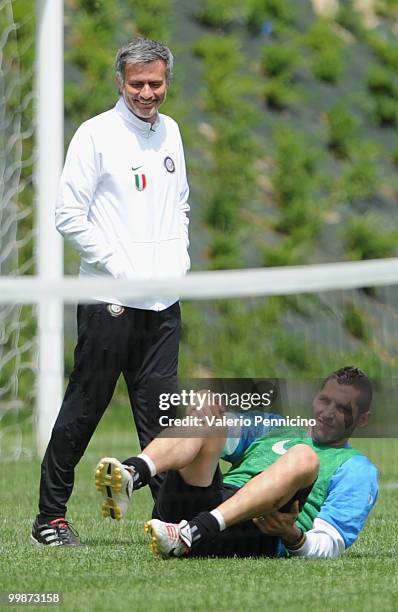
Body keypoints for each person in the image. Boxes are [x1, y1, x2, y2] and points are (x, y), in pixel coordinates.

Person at [31, 37, 190, 547]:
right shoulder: (95, 135)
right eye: (138, 83)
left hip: (163, 303)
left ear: (167, 81)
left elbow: (181, 204)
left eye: (156, 83)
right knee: (86, 405)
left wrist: (177, 261)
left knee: (163, 415)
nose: (147, 93)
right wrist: (119, 267)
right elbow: (67, 215)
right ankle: (49, 520)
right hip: (110, 302)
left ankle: (170, 519)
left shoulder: (173, 133)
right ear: (120, 82)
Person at [95, 366, 378, 559]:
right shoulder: (276, 426)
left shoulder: (357, 468)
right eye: (324, 400)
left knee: (305, 457)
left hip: (256, 530)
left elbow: (331, 542)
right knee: (210, 416)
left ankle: (193, 532)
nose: (328, 412)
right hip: (199, 502)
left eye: (342, 408)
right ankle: (133, 472)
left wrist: (292, 536)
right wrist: (203, 403)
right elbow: (213, 428)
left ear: (362, 419)